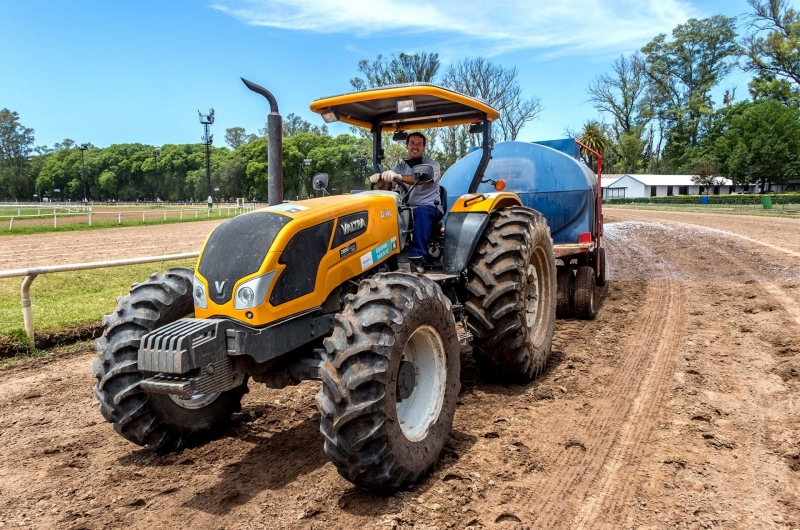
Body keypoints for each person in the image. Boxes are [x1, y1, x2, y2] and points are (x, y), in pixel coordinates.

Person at [370, 132, 442, 261]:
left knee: (420, 212)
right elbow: (387, 189)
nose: (415, 146)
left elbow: (421, 180)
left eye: (419, 144)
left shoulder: (432, 166)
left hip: (430, 208)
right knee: (384, 214)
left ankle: (418, 257)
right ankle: (384, 257)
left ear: (424, 147)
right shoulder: (400, 167)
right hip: (406, 209)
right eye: (412, 143)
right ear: (407, 146)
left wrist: (399, 176)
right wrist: (380, 182)